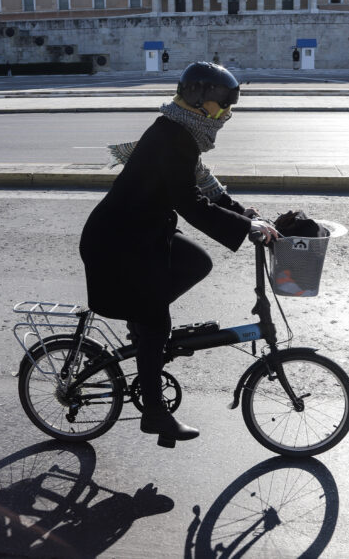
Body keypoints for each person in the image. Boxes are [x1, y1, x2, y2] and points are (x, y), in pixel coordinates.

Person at [79, 61, 277, 446]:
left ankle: (144, 324)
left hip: (140, 235)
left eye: (229, 106)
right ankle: (154, 413)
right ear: (198, 99)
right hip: (117, 243)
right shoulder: (172, 137)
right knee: (156, 321)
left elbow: (205, 187)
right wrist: (243, 228)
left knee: (196, 262)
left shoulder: (181, 134)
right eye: (222, 105)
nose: (226, 114)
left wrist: (243, 214)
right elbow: (189, 203)